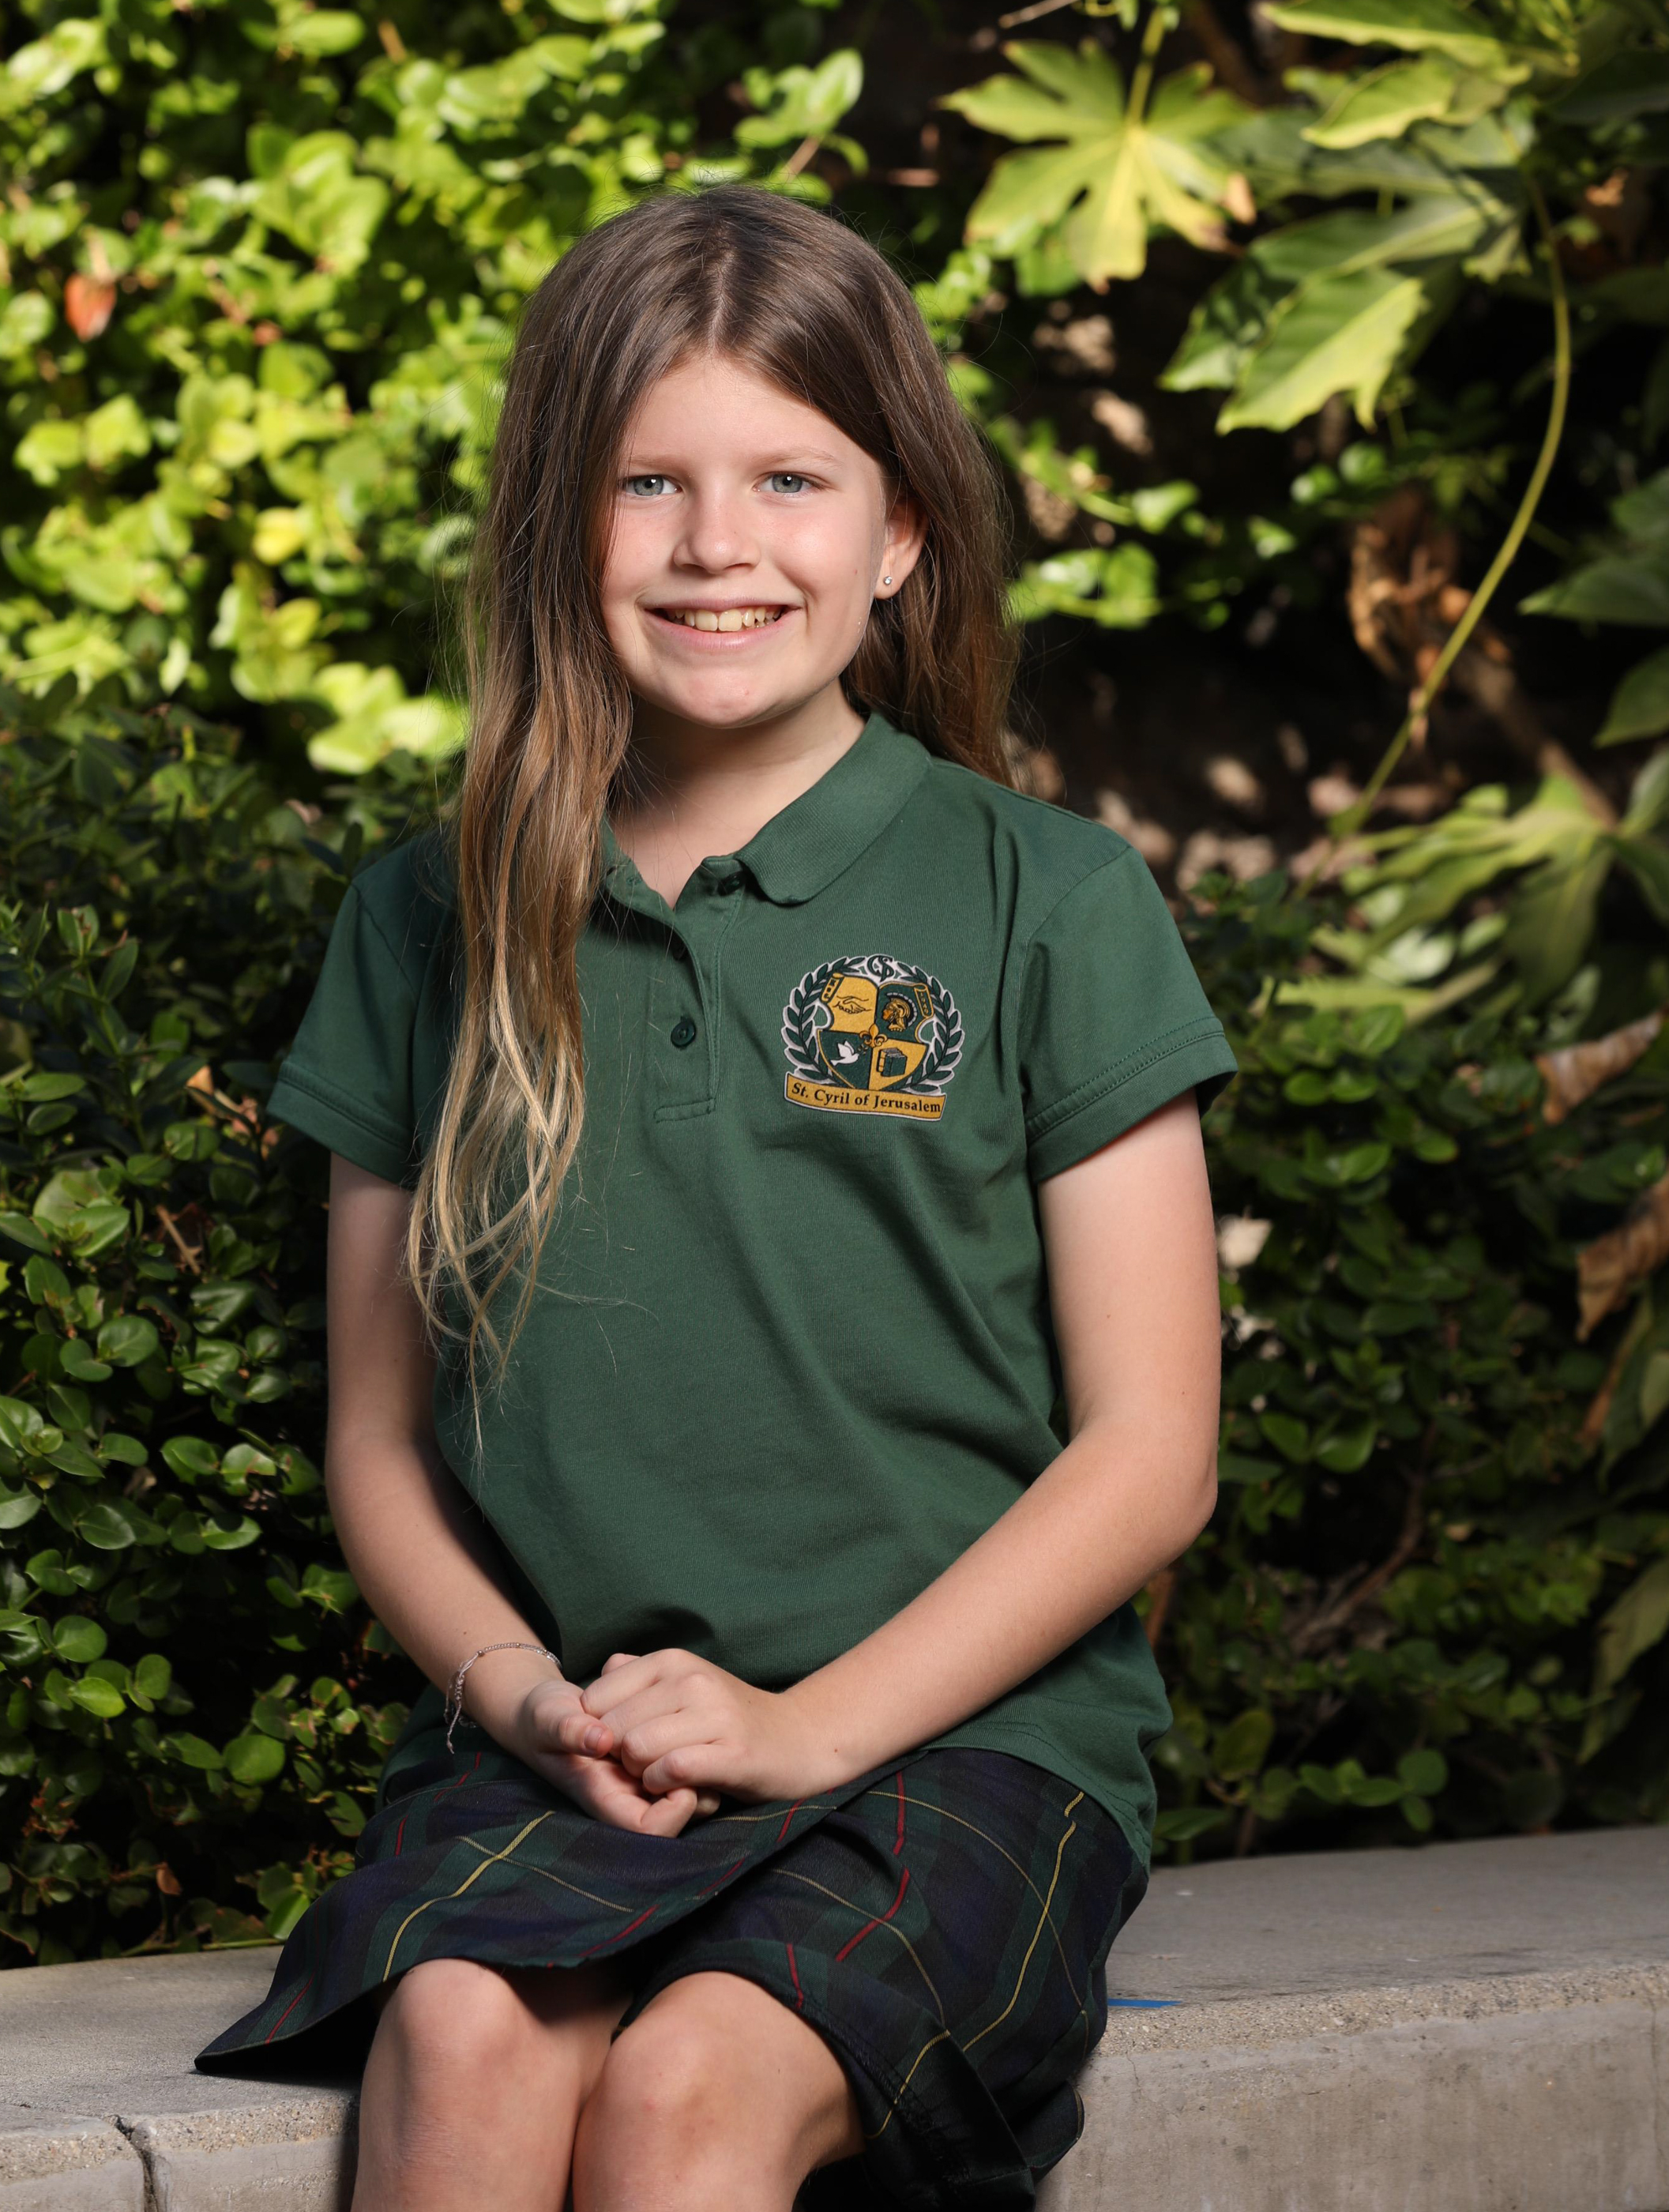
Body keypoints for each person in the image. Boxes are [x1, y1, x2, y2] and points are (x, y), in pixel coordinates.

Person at [195, 181, 1239, 2212]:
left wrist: (806, 1728)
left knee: (690, 2086)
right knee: (461, 2030)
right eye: (645, 483)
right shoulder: (428, 919)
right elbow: (379, 1438)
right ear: (554, 528)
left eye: (788, 478)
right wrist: (527, 1698)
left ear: (900, 531)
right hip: (569, 1733)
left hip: (962, 1743)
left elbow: (1151, 1453)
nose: (714, 544)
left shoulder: (1049, 900)